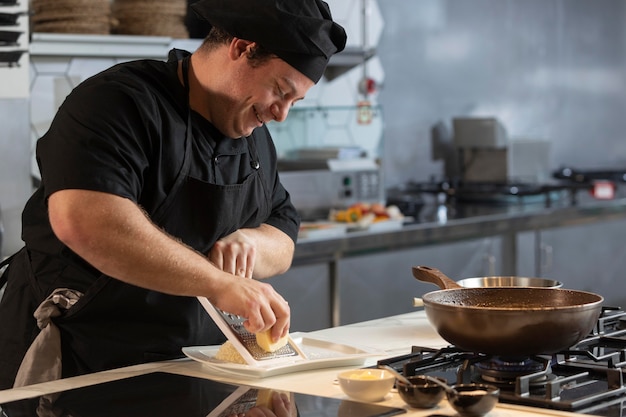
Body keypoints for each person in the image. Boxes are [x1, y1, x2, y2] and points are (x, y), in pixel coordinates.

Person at [0, 0, 346, 389]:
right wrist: (221, 284)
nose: (281, 114)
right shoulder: (119, 102)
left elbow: (284, 233)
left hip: (191, 365)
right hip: (85, 361)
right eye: (279, 91)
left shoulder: (254, 138)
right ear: (242, 48)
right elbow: (85, 221)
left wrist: (251, 241)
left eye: (294, 102)